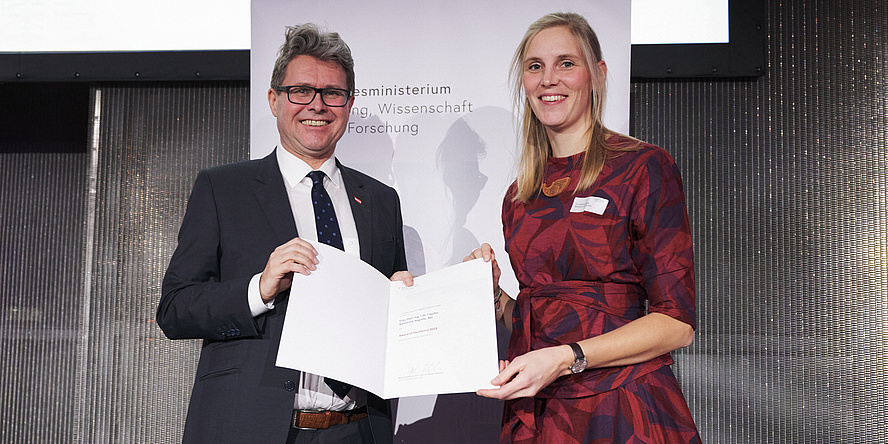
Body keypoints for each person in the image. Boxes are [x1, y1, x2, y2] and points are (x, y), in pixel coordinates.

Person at [157, 23, 412, 444]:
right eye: (301, 91)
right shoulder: (223, 189)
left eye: (333, 93)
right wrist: (260, 288)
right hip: (250, 427)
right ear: (275, 99)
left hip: (357, 431)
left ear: (348, 104)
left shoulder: (382, 200)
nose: (318, 105)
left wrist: (404, 303)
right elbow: (175, 308)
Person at [465, 12, 701, 443]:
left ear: (597, 74)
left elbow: (676, 323)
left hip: (621, 406)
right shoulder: (520, 196)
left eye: (566, 63)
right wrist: (493, 294)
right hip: (541, 413)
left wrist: (566, 358)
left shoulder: (643, 167)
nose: (548, 79)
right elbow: (543, 318)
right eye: (535, 66)